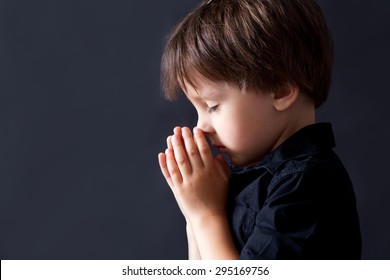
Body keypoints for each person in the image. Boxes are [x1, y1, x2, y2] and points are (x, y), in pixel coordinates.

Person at [157, 0, 361, 259]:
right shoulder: (246, 176)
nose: (201, 127)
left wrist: (206, 216)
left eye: (212, 105)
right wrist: (193, 214)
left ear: (281, 90)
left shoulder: (306, 185)